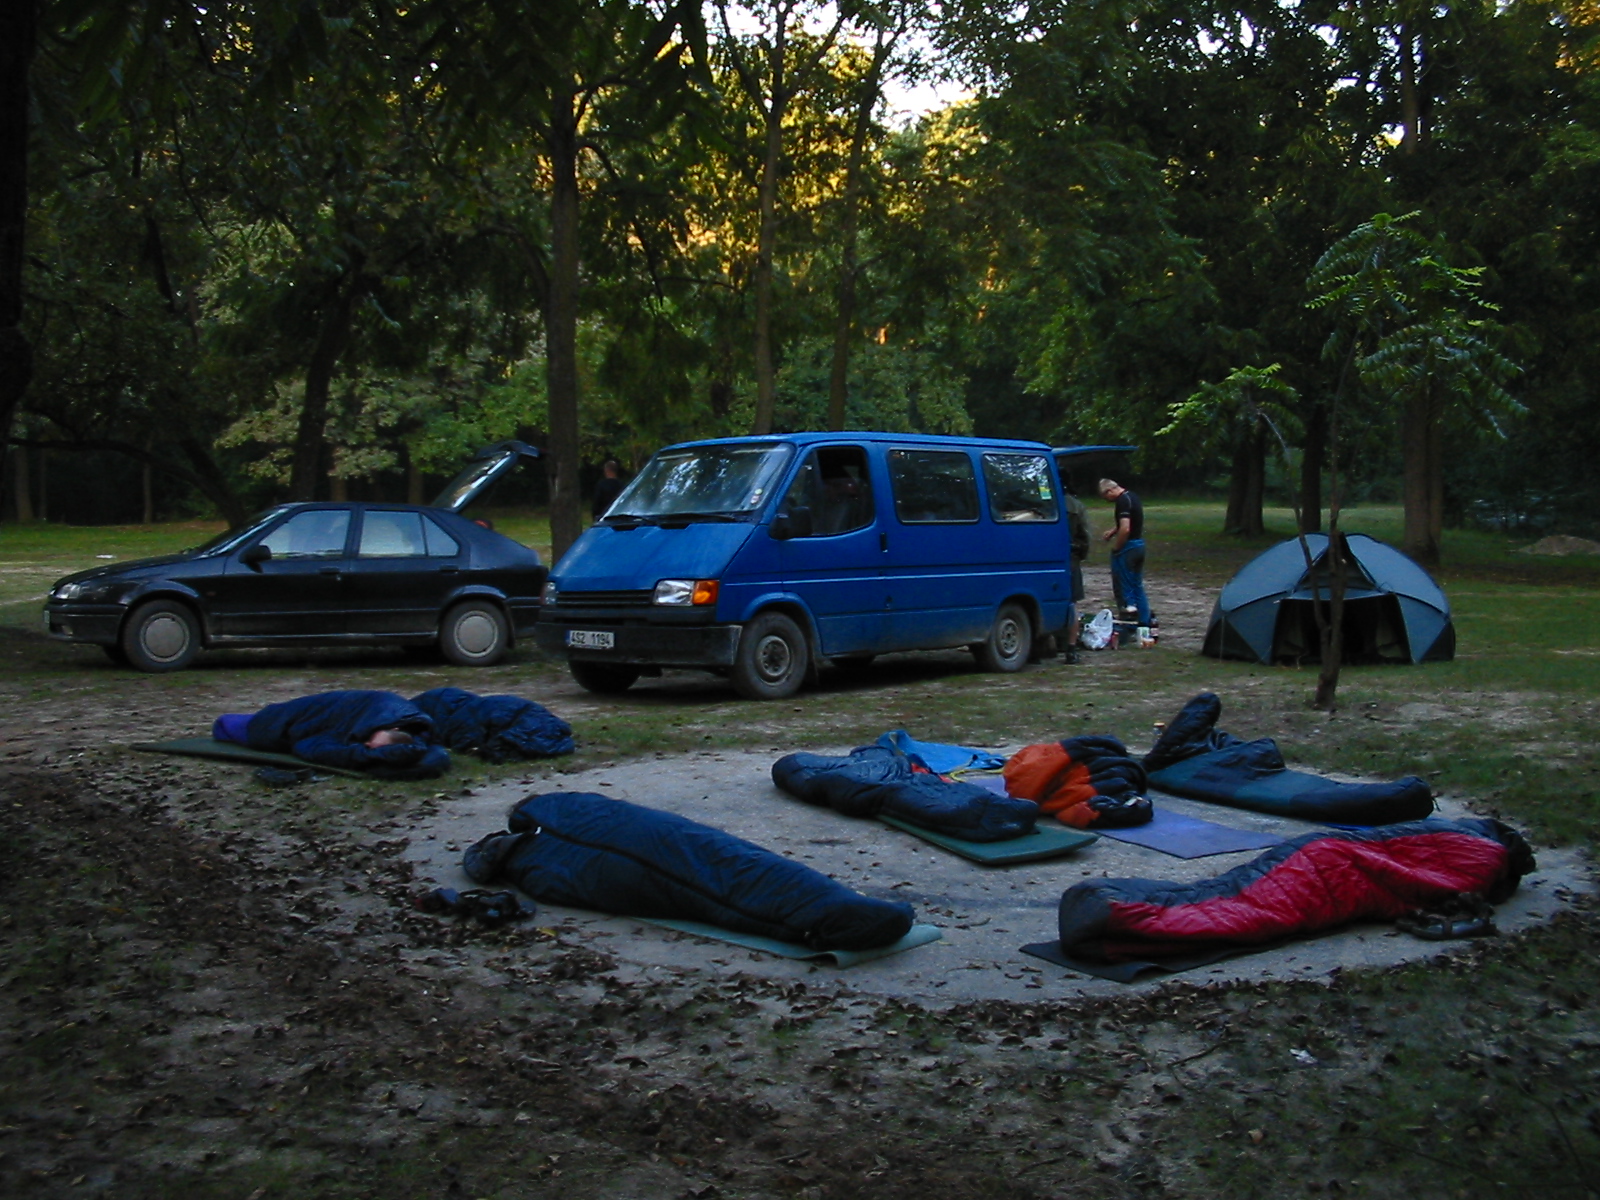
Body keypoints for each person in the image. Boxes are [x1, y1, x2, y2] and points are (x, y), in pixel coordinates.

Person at [1099, 477, 1150, 628]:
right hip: (1139, 545)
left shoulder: (1122, 501)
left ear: (1109, 491)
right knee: (1137, 585)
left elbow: (1126, 528)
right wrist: (1113, 531)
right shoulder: (1132, 496)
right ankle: (1144, 621)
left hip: (1129, 547)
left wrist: (1117, 547)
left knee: (1124, 586)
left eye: (1105, 497)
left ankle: (1129, 622)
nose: (1107, 500)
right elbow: (1130, 522)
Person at [1062, 484, 1091, 661]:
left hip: (1042, 555)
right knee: (1072, 603)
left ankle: (1041, 646)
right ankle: (1071, 649)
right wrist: (1081, 553)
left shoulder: (1040, 502)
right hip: (1070, 557)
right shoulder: (1075, 506)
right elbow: (1084, 534)